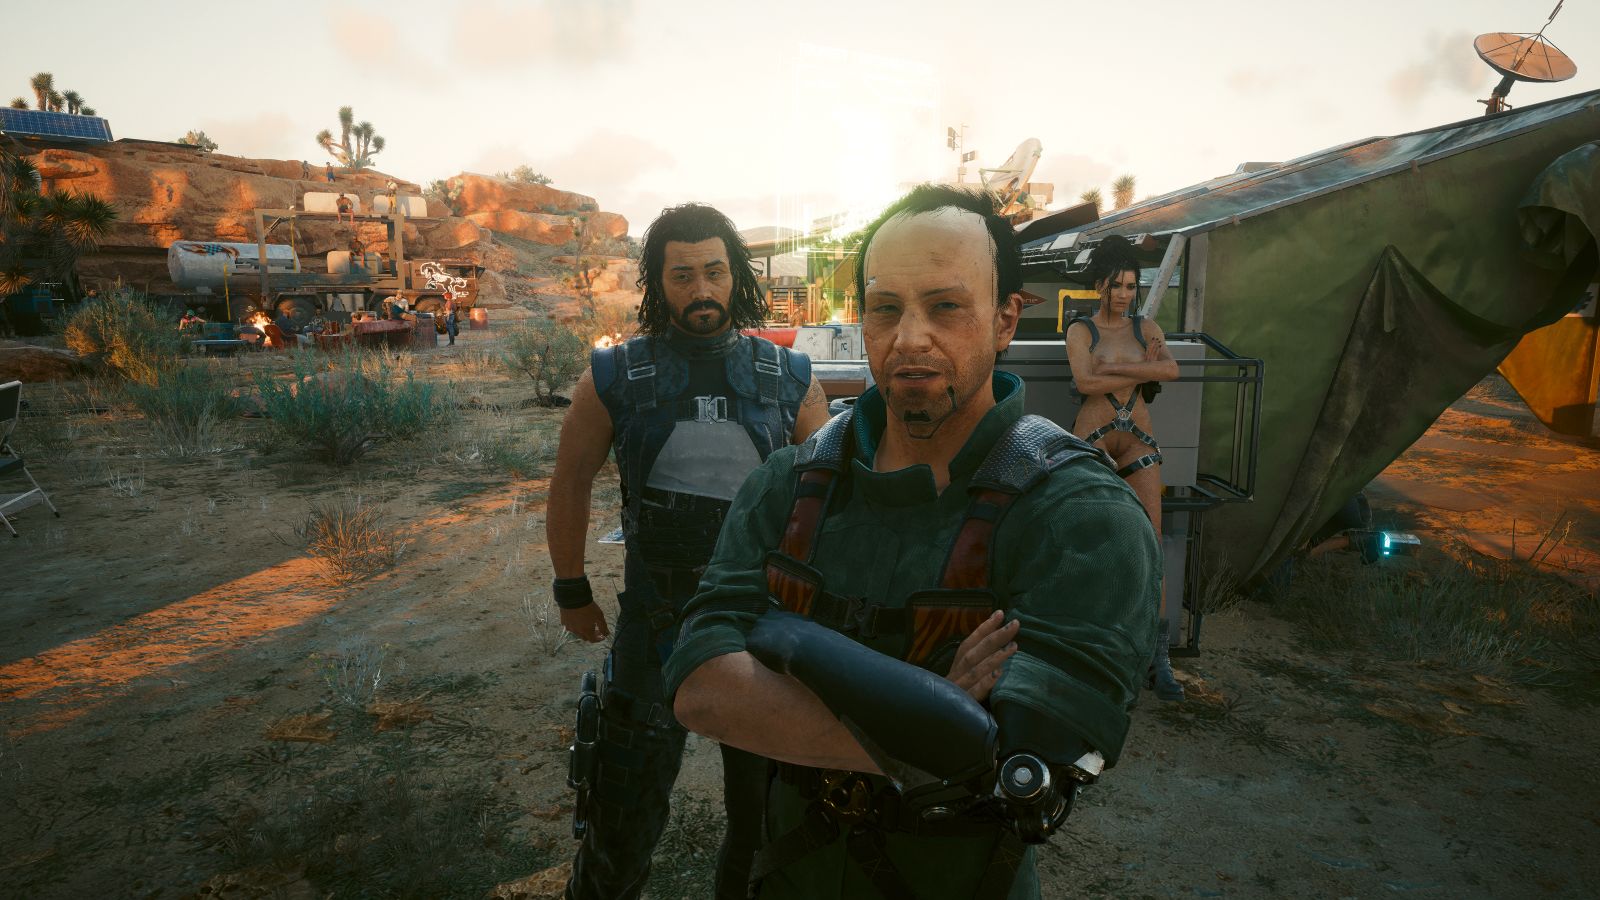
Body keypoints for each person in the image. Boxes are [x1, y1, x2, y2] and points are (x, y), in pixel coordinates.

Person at [667, 185, 1159, 899]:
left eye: (946, 306)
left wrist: (784, 656)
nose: (909, 338)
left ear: (1005, 319)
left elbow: (1025, 755)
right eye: (885, 307)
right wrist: (934, 710)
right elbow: (699, 687)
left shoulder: (1081, 516)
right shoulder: (788, 484)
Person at [549, 202, 831, 900]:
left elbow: (829, 500)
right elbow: (571, 480)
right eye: (682, 275)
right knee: (620, 818)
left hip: (760, 626)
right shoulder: (614, 376)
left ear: (736, 276)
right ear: (658, 282)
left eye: (713, 271)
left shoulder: (789, 377)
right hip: (655, 625)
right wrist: (570, 587)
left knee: (765, 826)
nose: (701, 289)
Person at [1063, 235, 1183, 701]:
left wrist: (1113, 370)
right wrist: (1141, 369)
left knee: (1151, 541)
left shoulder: (1145, 327)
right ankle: (1085, 646)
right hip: (1092, 439)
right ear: (1100, 285)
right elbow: (1083, 381)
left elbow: (1170, 371)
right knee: (1090, 540)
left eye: (1131, 286)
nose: (1124, 294)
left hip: (1139, 442)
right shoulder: (1081, 331)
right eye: (1116, 285)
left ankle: (1157, 656)